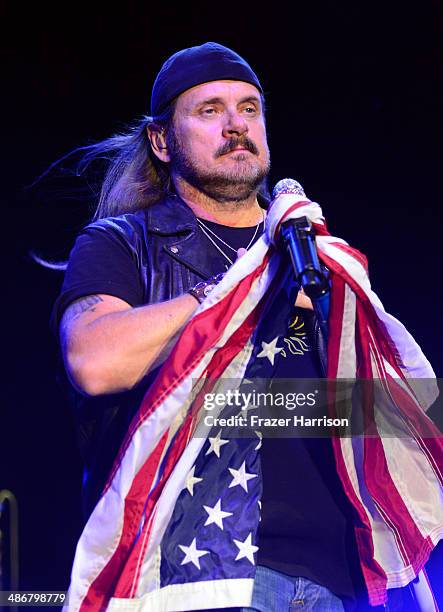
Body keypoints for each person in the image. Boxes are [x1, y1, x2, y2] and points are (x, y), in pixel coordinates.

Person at [51, 43, 441, 611]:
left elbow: (375, 415)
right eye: (209, 111)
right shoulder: (122, 244)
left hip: (342, 580)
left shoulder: (312, 255)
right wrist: (237, 292)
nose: (236, 125)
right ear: (162, 141)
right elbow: (95, 362)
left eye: (250, 108)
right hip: (201, 570)